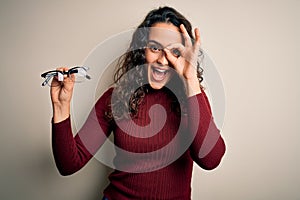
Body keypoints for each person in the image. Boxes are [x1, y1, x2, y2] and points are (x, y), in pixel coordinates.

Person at [49, 6, 226, 200]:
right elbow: (69, 164)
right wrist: (61, 106)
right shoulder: (115, 98)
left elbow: (210, 160)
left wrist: (190, 79)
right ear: (142, 50)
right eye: (155, 48)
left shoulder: (193, 99)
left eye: (174, 51)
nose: (162, 60)